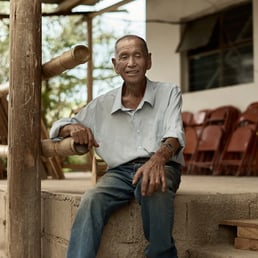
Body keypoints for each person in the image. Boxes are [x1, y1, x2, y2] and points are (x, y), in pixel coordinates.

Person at [50, 35, 185, 258]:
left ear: (148, 61)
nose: (131, 63)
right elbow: (60, 125)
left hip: (162, 165)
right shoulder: (102, 104)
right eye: (124, 57)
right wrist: (72, 130)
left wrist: (157, 160)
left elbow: (175, 135)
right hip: (119, 173)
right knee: (91, 199)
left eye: (138, 56)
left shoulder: (169, 92)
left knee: (154, 187)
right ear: (115, 65)